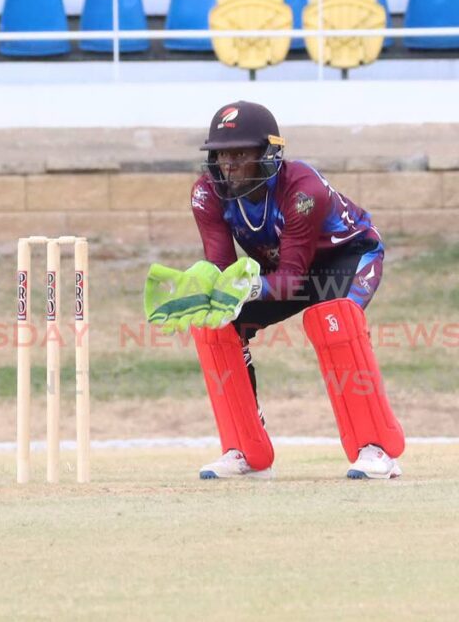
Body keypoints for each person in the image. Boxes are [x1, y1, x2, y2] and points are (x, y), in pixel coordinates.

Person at [144, 101, 404, 480]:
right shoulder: (207, 194)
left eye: (239, 154)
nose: (227, 165)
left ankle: (377, 449)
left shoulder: (302, 189)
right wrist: (203, 292)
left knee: (336, 323)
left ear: (268, 154)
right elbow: (219, 267)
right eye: (220, 154)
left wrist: (248, 286)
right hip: (281, 267)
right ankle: (245, 451)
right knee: (218, 324)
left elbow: (293, 280)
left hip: (346, 255)